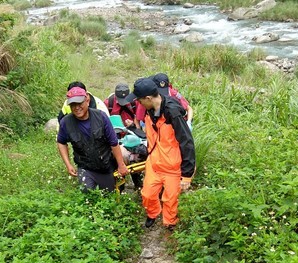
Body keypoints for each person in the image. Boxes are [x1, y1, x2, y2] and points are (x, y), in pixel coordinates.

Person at [124, 78, 195, 230]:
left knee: (170, 200)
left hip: (172, 167)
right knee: (147, 195)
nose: (139, 104)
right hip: (154, 163)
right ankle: (153, 213)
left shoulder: (172, 113)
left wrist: (187, 175)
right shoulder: (149, 111)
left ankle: (170, 224)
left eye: (140, 100)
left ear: (148, 98)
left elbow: (187, 142)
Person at [57, 86, 128, 192]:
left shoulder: (101, 117)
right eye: (73, 105)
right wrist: (68, 164)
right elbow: (61, 142)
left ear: (87, 101)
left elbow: (114, 143)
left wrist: (121, 165)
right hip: (85, 167)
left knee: (110, 195)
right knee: (87, 193)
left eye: (79, 103)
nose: (76, 108)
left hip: (106, 166)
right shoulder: (66, 122)